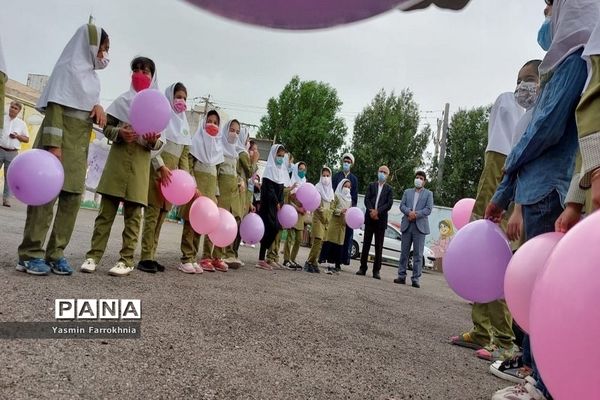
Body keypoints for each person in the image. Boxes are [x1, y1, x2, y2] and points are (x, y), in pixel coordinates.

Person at [487, 1, 599, 399]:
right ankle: (538, 373)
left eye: (552, 6)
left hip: (548, 191)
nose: (547, 14)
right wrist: (505, 190)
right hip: (536, 189)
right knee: (536, 286)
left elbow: (544, 131)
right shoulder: (560, 68)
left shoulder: (572, 63)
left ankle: (544, 381)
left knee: (545, 293)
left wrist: (508, 172)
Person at [451, 61, 542, 364]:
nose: (521, 87)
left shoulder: (537, 113)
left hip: (508, 177)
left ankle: (504, 340)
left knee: (496, 261)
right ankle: (481, 329)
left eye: (529, 80)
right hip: (496, 171)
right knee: (479, 255)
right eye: (519, 80)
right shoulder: (509, 101)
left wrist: (512, 204)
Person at [17, 23, 109, 276]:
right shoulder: (66, 70)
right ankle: (29, 254)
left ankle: (56, 253)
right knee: (44, 200)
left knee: (71, 200)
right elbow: (56, 108)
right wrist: (53, 148)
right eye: (103, 49)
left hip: (79, 148)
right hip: (56, 145)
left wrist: (98, 107)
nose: (104, 55)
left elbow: (85, 107)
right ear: (91, 46)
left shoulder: (92, 78)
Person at [80, 56, 162, 277]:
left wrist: (153, 140)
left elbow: (160, 142)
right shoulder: (121, 101)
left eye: (145, 71)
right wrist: (119, 133)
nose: (139, 74)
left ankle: (126, 260)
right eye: (135, 69)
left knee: (134, 216)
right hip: (117, 163)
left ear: (152, 76)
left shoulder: (157, 106)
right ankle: (93, 256)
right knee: (105, 213)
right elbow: (107, 127)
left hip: (139, 166)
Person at [138, 82, 191, 273]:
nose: (181, 101)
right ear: (170, 97)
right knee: (152, 215)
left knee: (162, 216)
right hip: (158, 173)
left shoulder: (184, 126)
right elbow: (153, 147)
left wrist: (186, 180)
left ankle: (152, 254)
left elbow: (184, 156)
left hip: (173, 181)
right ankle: (145, 257)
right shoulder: (162, 118)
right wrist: (160, 167)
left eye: (184, 98)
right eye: (178, 96)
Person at [180, 109, 224, 273]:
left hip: (209, 192)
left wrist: (216, 195)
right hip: (195, 189)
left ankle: (193, 258)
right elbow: (188, 166)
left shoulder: (218, 149)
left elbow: (217, 175)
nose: (212, 125)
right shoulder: (195, 142)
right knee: (190, 224)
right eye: (209, 121)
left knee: (201, 225)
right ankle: (185, 258)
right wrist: (193, 185)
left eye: (216, 122)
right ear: (204, 122)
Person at [211, 119, 242, 270]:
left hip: (231, 194)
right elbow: (215, 173)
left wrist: (240, 181)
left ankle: (218, 256)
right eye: (232, 130)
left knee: (224, 225)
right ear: (225, 129)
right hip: (220, 192)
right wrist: (216, 192)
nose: (234, 134)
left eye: (237, 132)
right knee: (214, 224)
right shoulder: (219, 148)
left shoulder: (235, 153)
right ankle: (206, 256)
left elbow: (235, 173)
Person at [394, 171, 433, 288]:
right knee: (404, 253)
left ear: (424, 181)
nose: (418, 180)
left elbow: (428, 209)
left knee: (418, 254)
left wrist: (416, 214)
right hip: (407, 224)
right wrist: (409, 212)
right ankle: (401, 276)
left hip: (420, 227)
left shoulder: (429, 194)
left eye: (421, 178)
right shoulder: (407, 192)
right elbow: (402, 205)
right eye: (417, 177)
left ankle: (415, 279)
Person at [356, 165, 394, 280]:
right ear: (377, 172)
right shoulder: (371, 186)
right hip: (369, 218)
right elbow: (367, 199)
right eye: (380, 171)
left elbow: (389, 203)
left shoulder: (389, 189)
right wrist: (372, 211)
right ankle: (362, 268)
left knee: (379, 246)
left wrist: (378, 212)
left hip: (380, 220)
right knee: (366, 244)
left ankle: (376, 270)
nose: (382, 173)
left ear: (388, 175)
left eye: (385, 172)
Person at [256, 144, 288, 270]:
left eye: (282, 156)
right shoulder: (269, 169)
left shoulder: (280, 172)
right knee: (268, 229)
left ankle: (263, 258)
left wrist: (281, 202)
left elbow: (281, 189)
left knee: (275, 229)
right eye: (278, 155)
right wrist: (276, 201)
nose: (280, 158)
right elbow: (269, 190)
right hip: (267, 206)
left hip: (276, 207)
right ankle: (261, 259)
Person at [327, 153, 358, 270]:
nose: (346, 163)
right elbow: (332, 192)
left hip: (347, 215)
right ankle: (329, 259)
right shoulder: (336, 176)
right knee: (332, 237)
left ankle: (340, 261)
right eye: (345, 161)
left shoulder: (354, 179)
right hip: (336, 212)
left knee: (344, 238)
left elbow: (354, 196)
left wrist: (350, 210)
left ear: (351, 164)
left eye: (349, 162)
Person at [234, 128, 259, 254]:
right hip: (239, 192)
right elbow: (249, 173)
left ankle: (234, 252)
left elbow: (250, 186)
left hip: (246, 195)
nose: (254, 152)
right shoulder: (242, 154)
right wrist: (254, 161)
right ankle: (230, 252)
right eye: (248, 141)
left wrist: (249, 202)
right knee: (237, 222)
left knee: (241, 223)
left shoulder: (246, 156)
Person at [304, 166, 334, 273]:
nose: (325, 178)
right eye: (323, 175)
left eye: (327, 175)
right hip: (318, 218)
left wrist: (327, 214)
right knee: (317, 240)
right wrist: (323, 212)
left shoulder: (331, 191)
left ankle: (314, 262)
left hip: (326, 220)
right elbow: (317, 206)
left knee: (321, 243)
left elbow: (332, 207)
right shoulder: (317, 188)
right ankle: (309, 262)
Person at [1, 101, 30, 207]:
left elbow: (27, 139)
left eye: (15, 108)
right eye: (11, 107)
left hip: (12, 153)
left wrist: (17, 136)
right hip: (0, 149)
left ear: (19, 111)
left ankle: (6, 199)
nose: (12, 109)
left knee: (8, 177)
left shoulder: (21, 124)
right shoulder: (2, 119)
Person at [321, 179, 352, 275]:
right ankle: (330, 264)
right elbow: (332, 209)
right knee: (332, 243)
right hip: (334, 223)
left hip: (343, 225)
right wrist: (340, 211)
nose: (346, 188)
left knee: (339, 244)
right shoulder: (336, 196)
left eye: (348, 187)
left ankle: (337, 264)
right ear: (341, 186)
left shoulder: (349, 199)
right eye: (345, 186)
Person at [283, 162, 307, 270]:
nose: (302, 171)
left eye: (304, 169)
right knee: (290, 237)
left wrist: (305, 208)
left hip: (301, 214)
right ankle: (286, 259)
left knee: (299, 239)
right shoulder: (291, 182)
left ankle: (293, 258)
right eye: (300, 169)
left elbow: (309, 198)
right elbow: (287, 199)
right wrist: (298, 208)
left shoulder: (305, 182)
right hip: (292, 212)